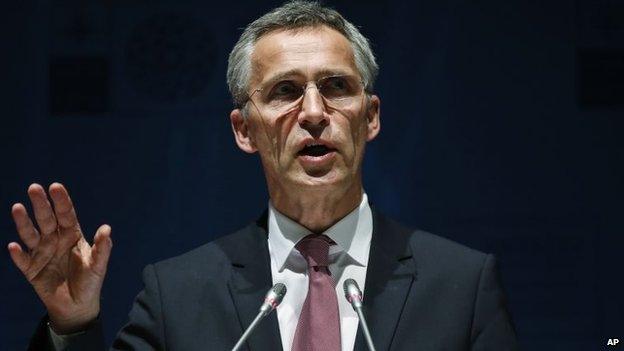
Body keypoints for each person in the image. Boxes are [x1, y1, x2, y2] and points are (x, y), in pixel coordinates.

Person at [8, 1, 519, 350]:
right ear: (243, 130)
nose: (315, 112)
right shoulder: (178, 294)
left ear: (371, 117)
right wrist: (71, 328)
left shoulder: (462, 285)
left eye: (337, 86)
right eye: (284, 92)